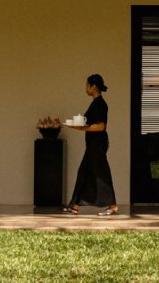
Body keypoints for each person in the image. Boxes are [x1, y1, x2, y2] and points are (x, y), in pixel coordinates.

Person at [62, 73, 118, 216]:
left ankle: (112, 205)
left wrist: (82, 128)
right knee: (84, 173)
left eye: (87, 85)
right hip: (93, 144)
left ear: (93, 87)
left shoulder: (100, 104)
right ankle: (74, 206)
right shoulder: (95, 103)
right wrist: (77, 126)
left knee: (102, 174)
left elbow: (100, 126)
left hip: (98, 145)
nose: (85, 88)